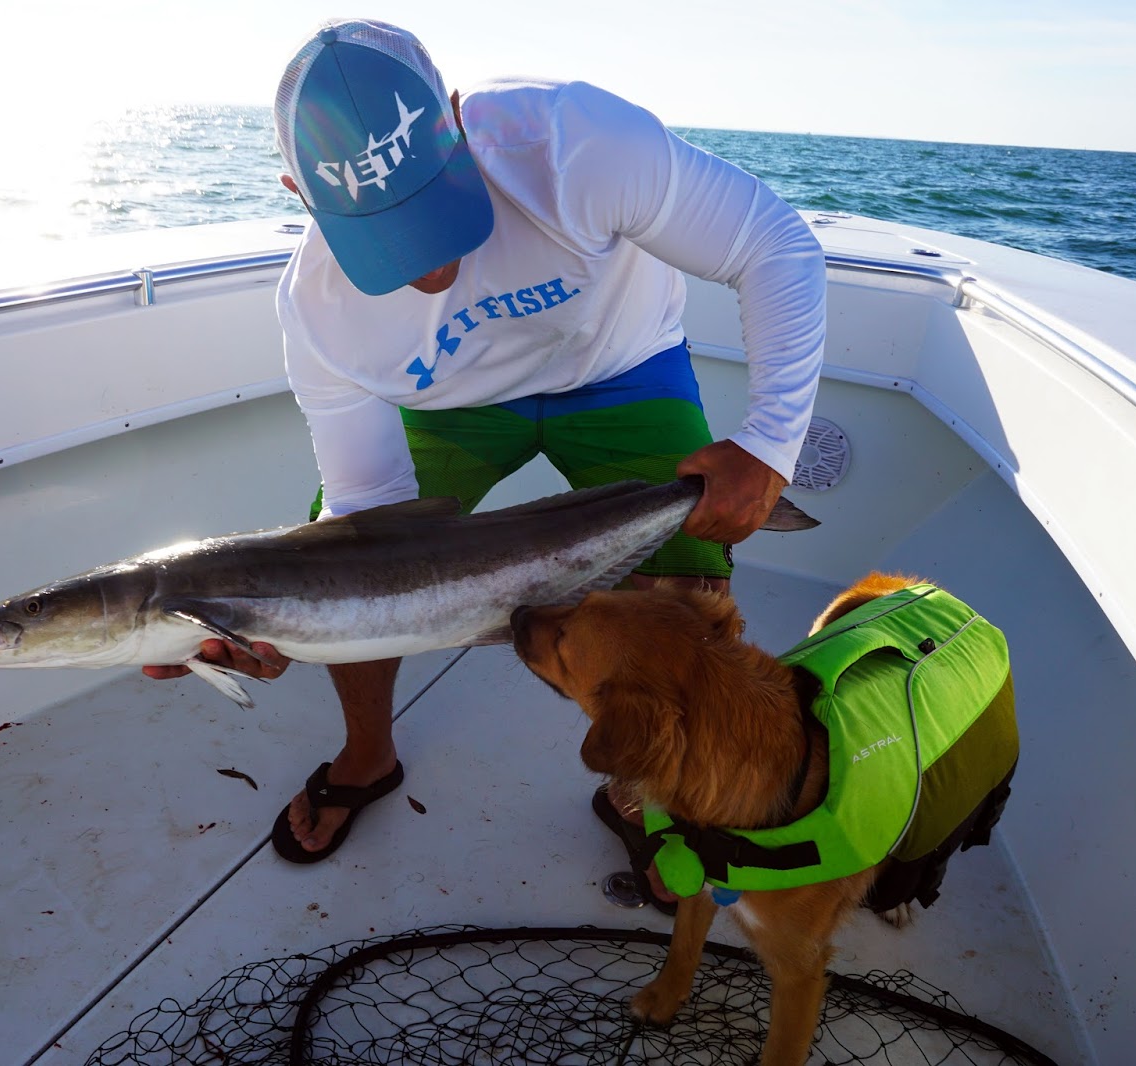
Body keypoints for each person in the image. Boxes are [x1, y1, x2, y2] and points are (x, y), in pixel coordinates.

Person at [145, 18, 826, 896]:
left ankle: (646, 792)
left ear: (461, 120)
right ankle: (368, 754)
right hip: (451, 404)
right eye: (382, 228)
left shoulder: (573, 142)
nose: (428, 261)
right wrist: (282, 632)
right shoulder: (319, 314)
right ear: (297, 194)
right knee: (339, 579)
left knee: (691, 579)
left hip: (619, 365)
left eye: (430, 201)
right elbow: (369, 516)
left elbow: (774, 244)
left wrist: (769, 444)